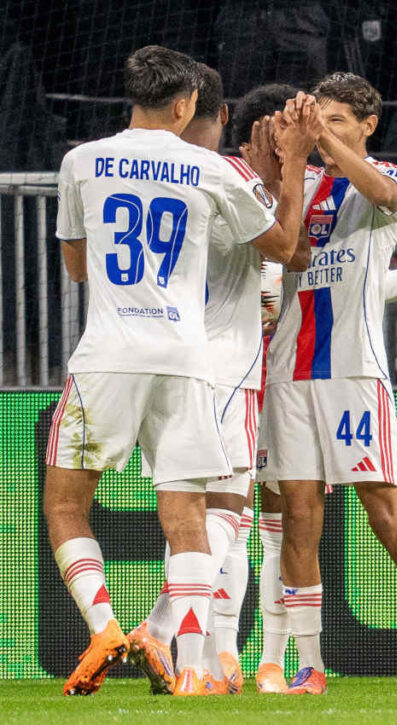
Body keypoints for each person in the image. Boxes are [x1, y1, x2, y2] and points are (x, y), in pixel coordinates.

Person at [47, 45, 313, 696]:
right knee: (190, 513)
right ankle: (193, 662)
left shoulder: (80, 163)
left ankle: (106, 625)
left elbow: (77, 267)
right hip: (186, 359)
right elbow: (283, 247)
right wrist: (296, 164)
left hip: (108, 354)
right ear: (187, 103)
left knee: (64, 503)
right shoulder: (208, 169)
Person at [257, 71, 397, 696]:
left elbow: (378, 189)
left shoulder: (388, 181)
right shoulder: (299, 186)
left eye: (339, 120)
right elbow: (290, 255)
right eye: (320, 119)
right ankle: (309, 665)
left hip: (353, 372)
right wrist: (293, 158)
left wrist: (322, 139)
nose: (326, 131)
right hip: (287, 372)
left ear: (368, 125)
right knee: (299, 516)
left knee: (384, 515)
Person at [125, 65, 320, 697]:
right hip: (224, 362)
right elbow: (292, 249)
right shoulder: (223, 176)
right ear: (228, 117)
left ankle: (210, 654)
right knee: (225, 515)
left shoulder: (162, 177)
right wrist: (290, 167)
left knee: (197, 516)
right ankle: (173, 638)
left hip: (159, 360)